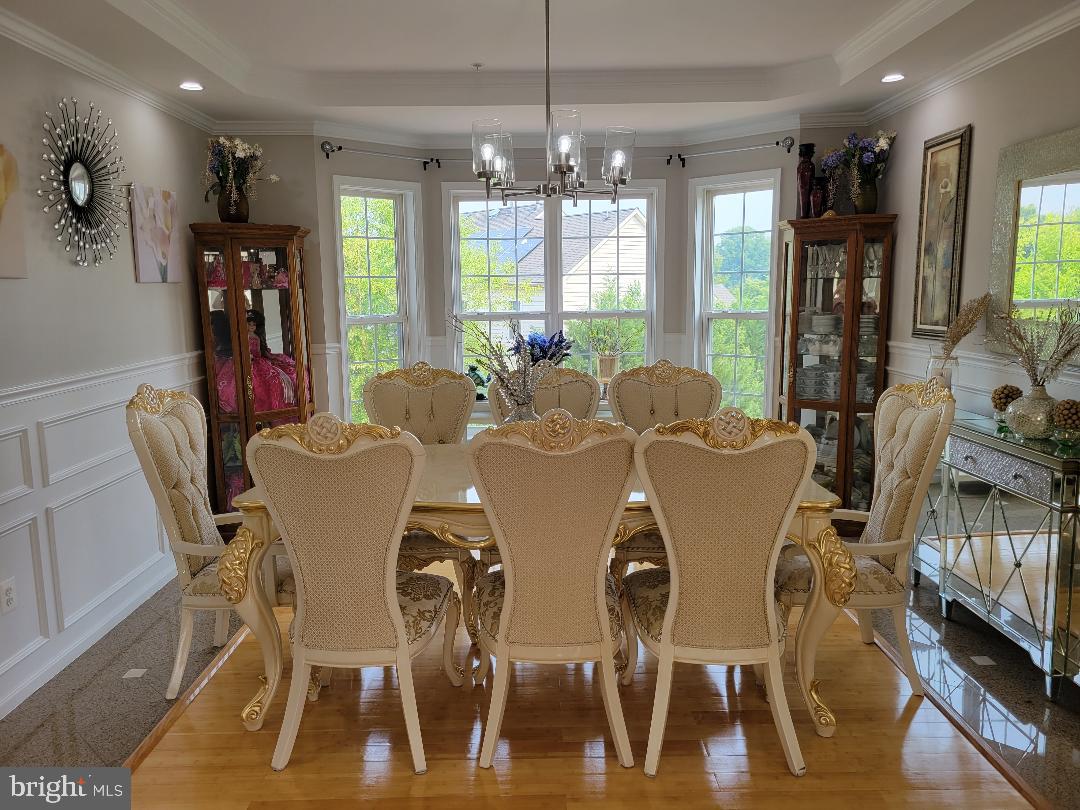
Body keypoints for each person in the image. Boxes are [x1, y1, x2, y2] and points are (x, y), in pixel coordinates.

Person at [213, 309, 298, 413]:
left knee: (273, 376)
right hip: (248, 360)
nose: (252, 326)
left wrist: (265, 356)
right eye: (249, 324)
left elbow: (259, 350)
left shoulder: (257, 337)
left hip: (258, 360)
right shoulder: (244, 337)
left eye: (254, 324)